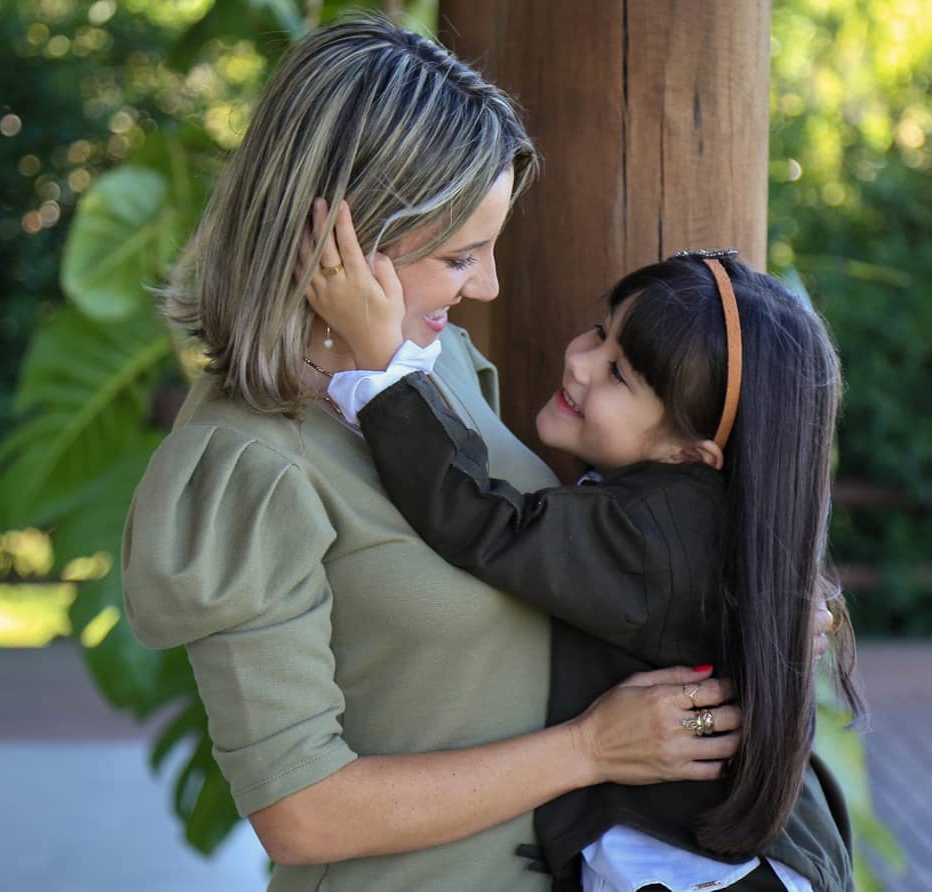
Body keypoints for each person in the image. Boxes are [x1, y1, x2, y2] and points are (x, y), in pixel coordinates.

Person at [121, 16, 755, 892]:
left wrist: (756, 589)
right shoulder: (250, 465)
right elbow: (303, 813)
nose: (488, 285)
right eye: (463, 256)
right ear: (344, 238)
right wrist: (589, 749)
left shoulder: (435, 366)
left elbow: (559, 552)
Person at [303, 226, 863, 892]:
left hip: (696, 872)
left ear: (693, 452)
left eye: (619, 373)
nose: (580, 360)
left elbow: (478, 520)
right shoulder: (716, 516)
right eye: (601, 333)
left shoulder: (654, 536)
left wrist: (376, 355)